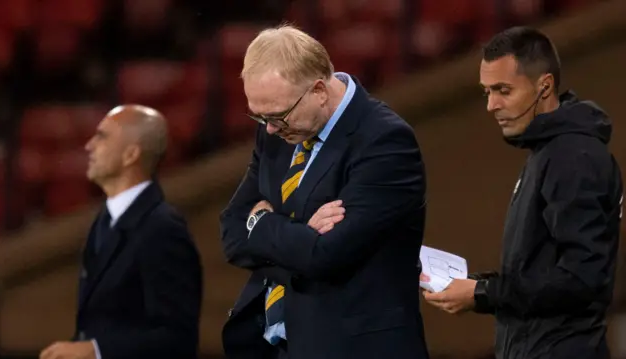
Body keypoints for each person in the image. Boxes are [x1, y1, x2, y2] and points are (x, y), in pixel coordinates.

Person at [219, 24, 429, 359]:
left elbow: (327, 255)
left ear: (318, 90)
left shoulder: (384, 142)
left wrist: (261, 221)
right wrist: (301, 236)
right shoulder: (277, 132)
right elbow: (231, 230)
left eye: (278, 116)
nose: (271, 128)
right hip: (278, 344)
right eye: (260, 118)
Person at [421, 26, 623, 359]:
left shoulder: (573, 158)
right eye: (486, 92)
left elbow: (581, 280)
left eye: (503, 90)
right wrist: (475, 285)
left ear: (544, 86)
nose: (491, 105)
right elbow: (541, 273)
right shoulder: (548, 152)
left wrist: (483, 293)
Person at [40, 105, 203, 359]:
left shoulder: (163, 229)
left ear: (131, 154)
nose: (88, 146)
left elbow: (178, 339)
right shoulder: (104, 220)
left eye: (102, 136)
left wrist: (96, 351)